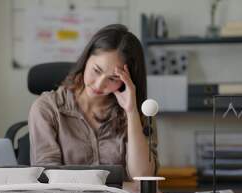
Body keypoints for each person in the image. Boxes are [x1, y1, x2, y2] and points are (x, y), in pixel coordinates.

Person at [28, 24, 159, 181]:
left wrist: (131, 112)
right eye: (96, 71)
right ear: (86, 60)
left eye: (113, 78)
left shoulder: (140, 112)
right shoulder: (47, 108)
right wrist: (118, 187)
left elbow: (143, 178)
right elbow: (47, 178)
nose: (99, 85)